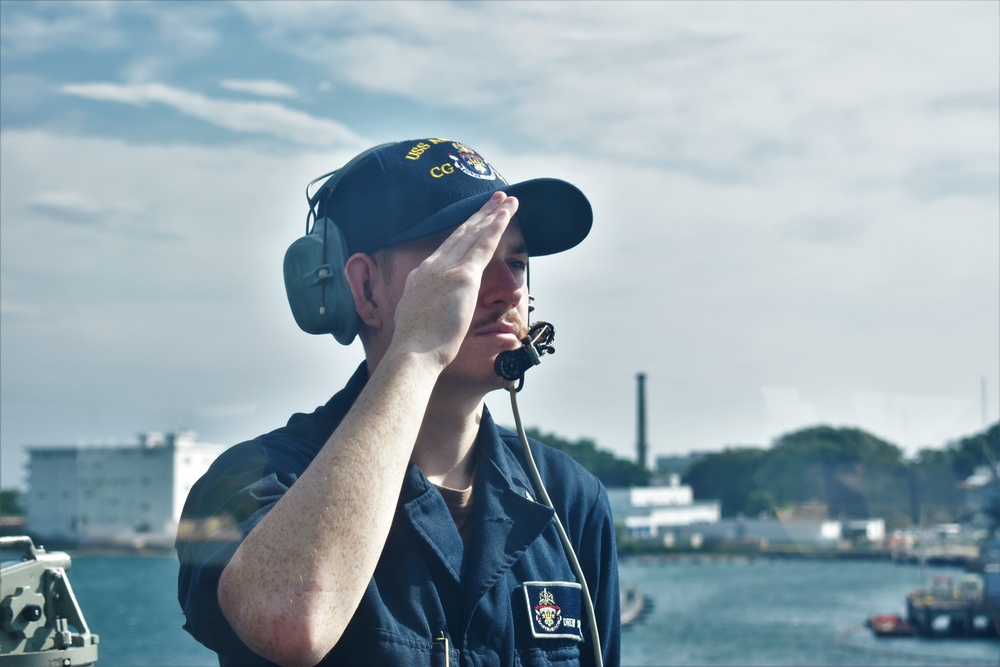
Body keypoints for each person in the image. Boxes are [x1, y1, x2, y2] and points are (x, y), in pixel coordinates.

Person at [176, 138, 620, 667]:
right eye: (464, 260)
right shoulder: (255, 477)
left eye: (517, 262)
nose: (507, 290)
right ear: (364, 290)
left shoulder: (570, 499)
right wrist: (417, 351)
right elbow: (291, 625)